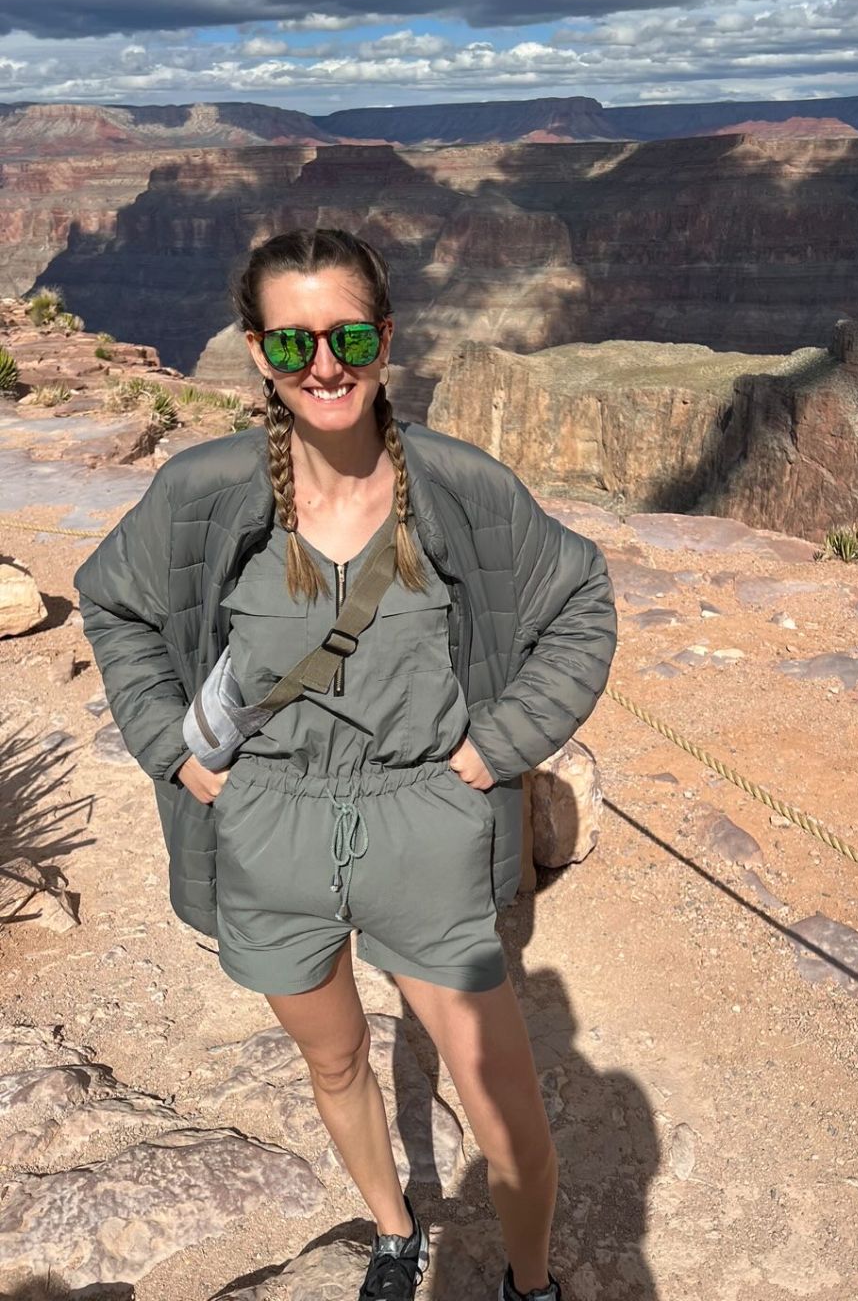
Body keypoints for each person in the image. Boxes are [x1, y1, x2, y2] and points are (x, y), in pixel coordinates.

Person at [74, 227, 618, 1301]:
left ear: (388, 340)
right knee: (333, 1061)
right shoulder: (208, 491)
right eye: (293, 342)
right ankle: (393, 1227)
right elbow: (117, 603)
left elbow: (582, 601)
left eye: (349, 334)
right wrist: (172, 752)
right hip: (270, 826)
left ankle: (529, 1280)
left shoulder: (458, 488)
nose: (324, 365)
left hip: (423, 822)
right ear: (257, 350)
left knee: (506, 1116)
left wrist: (498, 746)